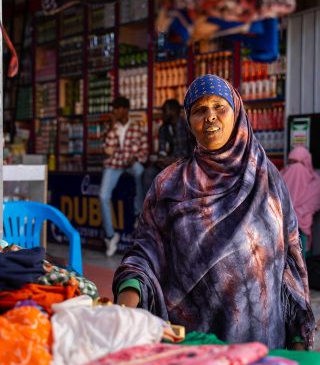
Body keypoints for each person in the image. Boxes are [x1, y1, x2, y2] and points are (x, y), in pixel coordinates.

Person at [113, 74, 315, 350]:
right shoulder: (170, 184)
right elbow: (145, 252)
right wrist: (126, 303)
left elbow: (289, 263)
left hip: (262, 348)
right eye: (199, 110)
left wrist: (297, 339)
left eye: (219, 107)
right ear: (188, 121)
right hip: (194, 347)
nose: (210, 117)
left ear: (237, 113)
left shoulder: (267, 178)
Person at [99, 96, 148, 257]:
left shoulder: (137, 128)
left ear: (125, 110)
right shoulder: (110, 128)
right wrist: (112, 128)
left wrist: (136, 158)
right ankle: (111, 236)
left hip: (130, 163)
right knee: (103, 195)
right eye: (114, 108)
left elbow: (144, 151)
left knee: (140, 171)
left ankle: (138, 214)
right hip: (114, 164)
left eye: (118, 108)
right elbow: (108, 151)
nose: (115, 111)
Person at [142, 98, 193, 195]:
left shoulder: (187, 126)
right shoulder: (163, 128)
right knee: (148, 173)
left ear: (173, 112)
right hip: (167, 165)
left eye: (164, 111)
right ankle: (149, 208)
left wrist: (175, 161)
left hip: (185, 164)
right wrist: (161, 159)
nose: (162, 114)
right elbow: (162, 150)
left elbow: (193, 153)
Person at [281, 146, 320, 256]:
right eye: (291, 163)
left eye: (299, 163)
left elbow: (313, 205)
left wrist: (294, 213)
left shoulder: (316, 184)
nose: (295, 168)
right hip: (280, 232)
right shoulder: (280, 175)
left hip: (301, 232)